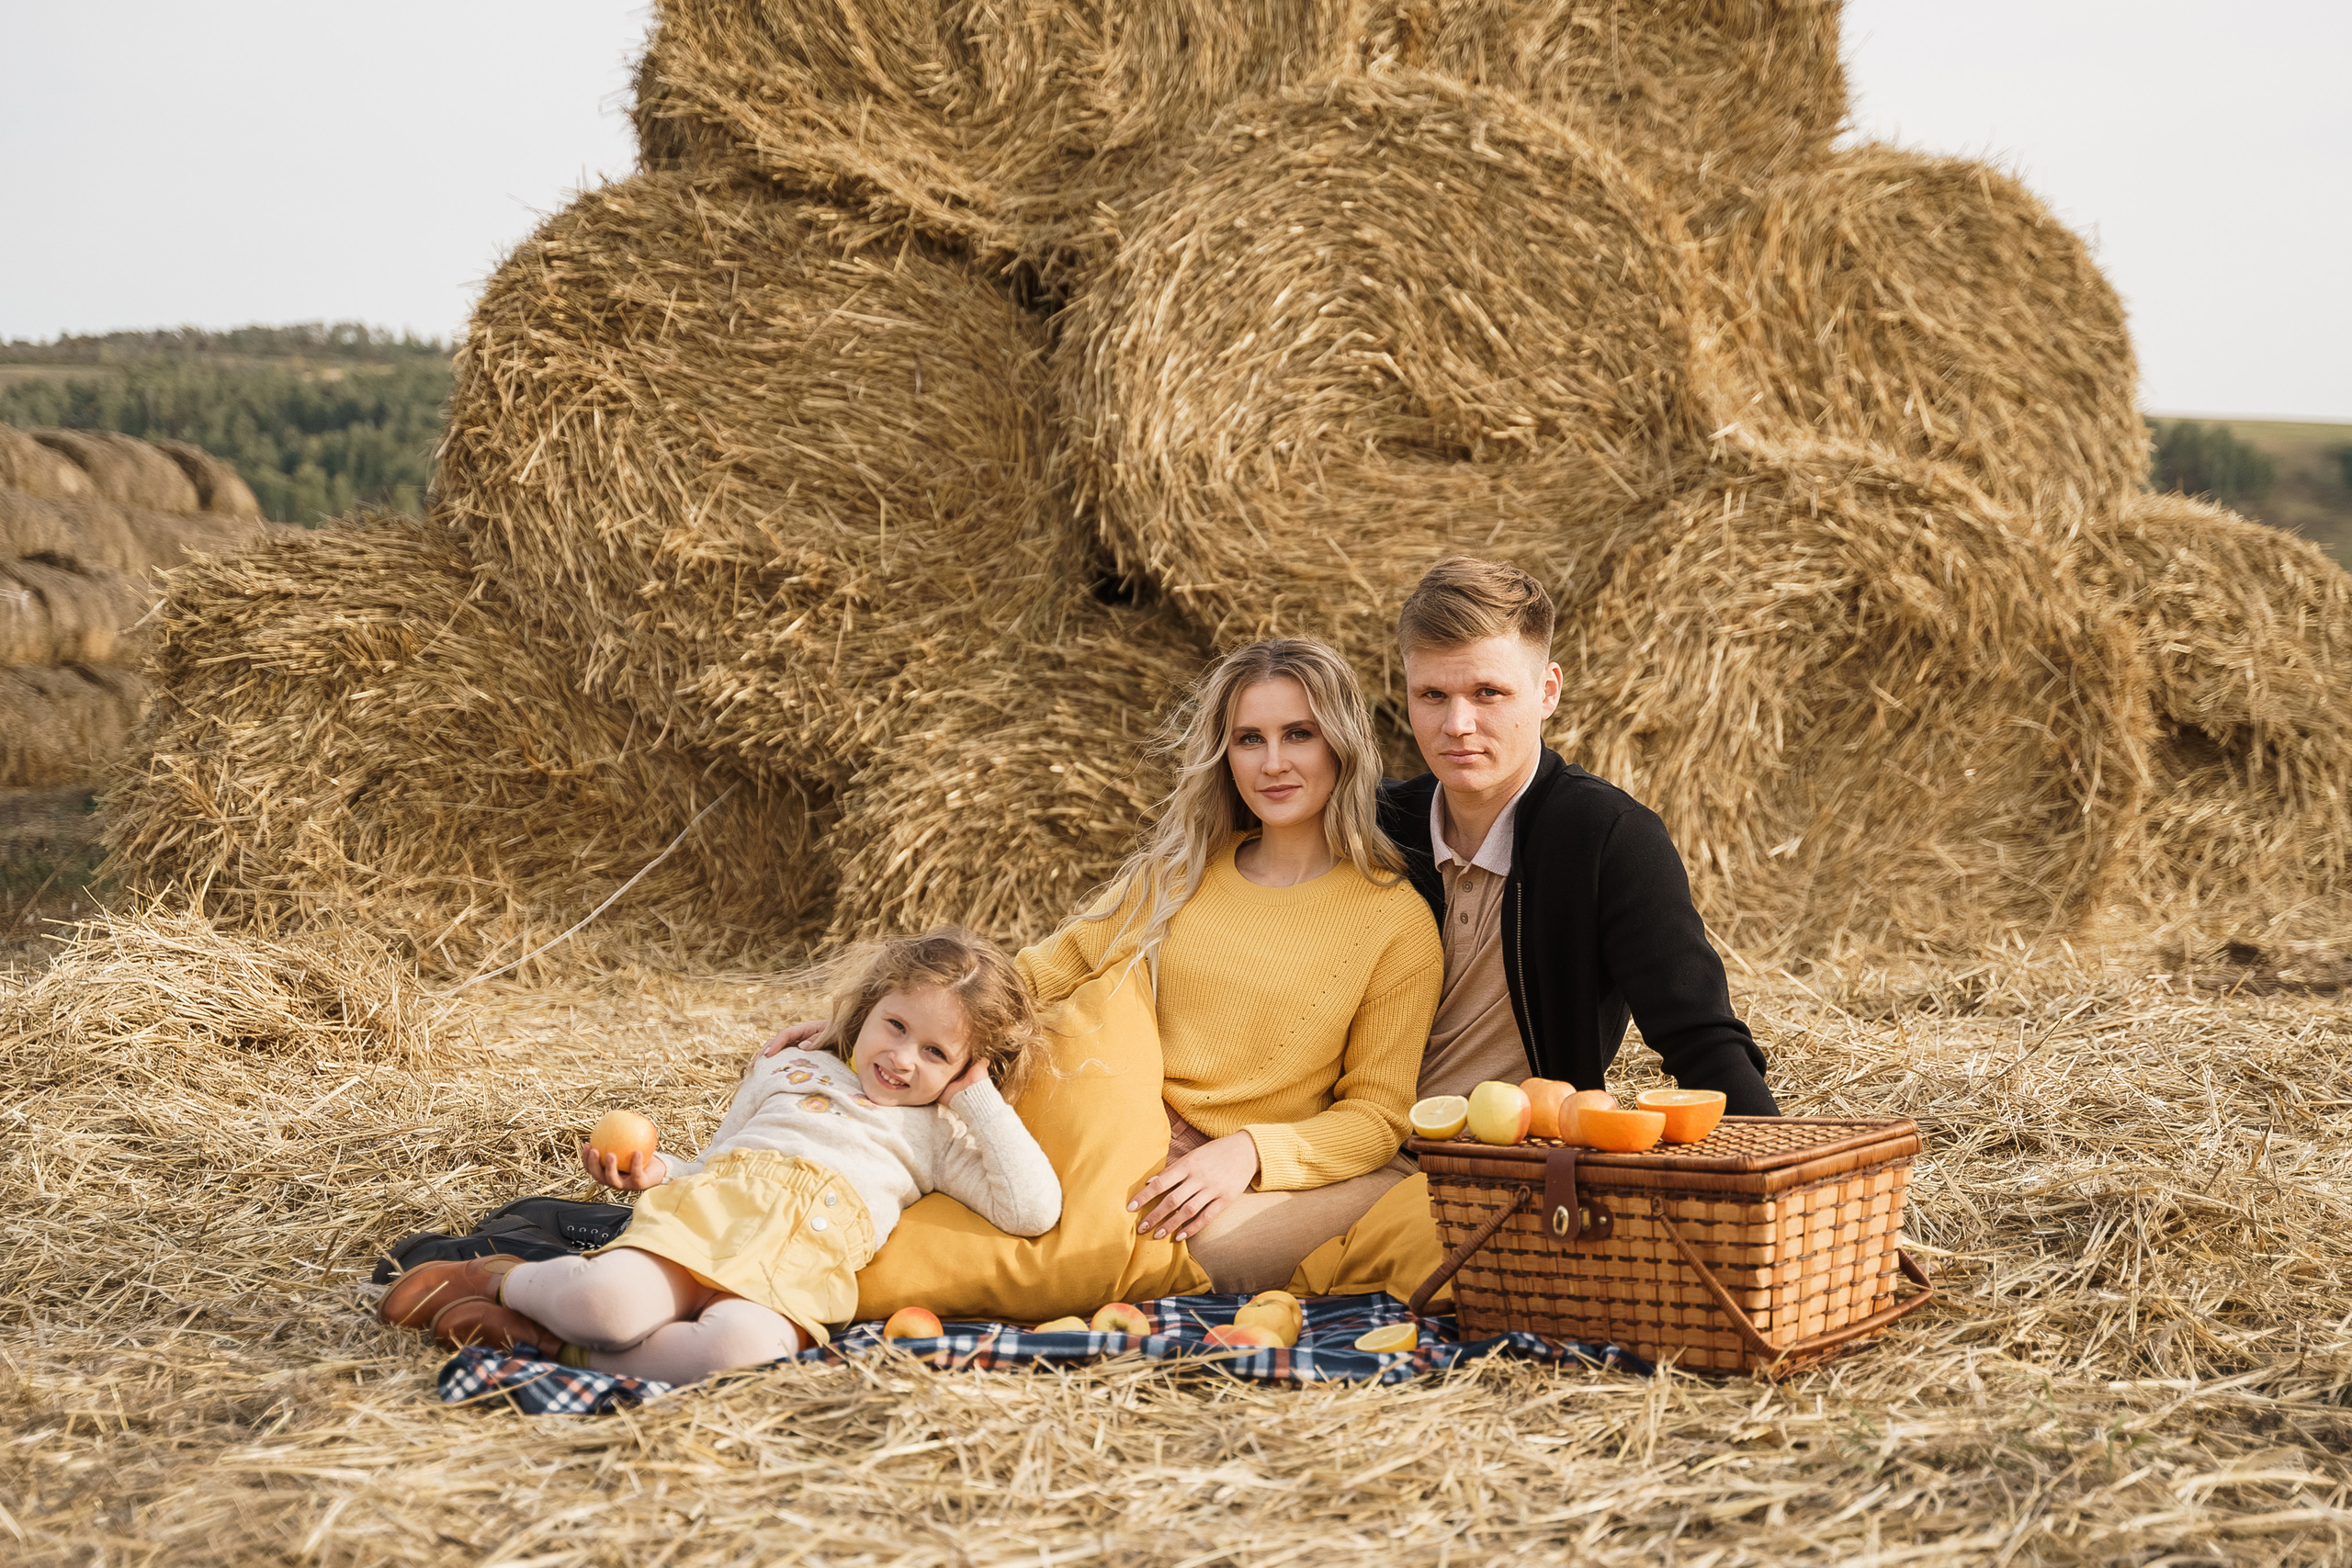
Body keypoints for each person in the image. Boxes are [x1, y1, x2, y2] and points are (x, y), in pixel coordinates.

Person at [763, 638, 1444, 1292]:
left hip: (1213, 1169)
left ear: (1342, 744)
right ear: (1224, 753)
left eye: (1299, 734)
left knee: (1084, 1260)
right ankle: (766, 1240)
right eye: (1249, 738)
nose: (1272, 762)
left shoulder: (1395, 923)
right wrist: (863, 1025)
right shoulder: (1177, 873)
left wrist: (1249, 1153)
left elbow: (1378, 1116)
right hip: (1098, 1117)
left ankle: (787, 1271)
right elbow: (1042, 974)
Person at [378, 929, 1059, 1382]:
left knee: (744, 1355)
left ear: (971, 1067)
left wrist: (977, 1099)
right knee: (610, 1302)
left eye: (937, 1052)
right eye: (896, 1025)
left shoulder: (941, 1135)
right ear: (869, 1006)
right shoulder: (794, 1067)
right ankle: (492, 1278)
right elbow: (717, 1161)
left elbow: (1031, 1209)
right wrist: (655, 1173)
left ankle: (545, 1343)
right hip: (702, 1226)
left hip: (789, 1277)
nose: (903, 1058)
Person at [1385, 557, 1777, 1111]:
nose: (1457, 725)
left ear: (1548, 692)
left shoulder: (1609, 840)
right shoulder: (1377, 826)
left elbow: (1698, 1037)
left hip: (1520, 1162)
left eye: (1488, 693)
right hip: (1344, 1142)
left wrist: (1776, 1171)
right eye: (1432, 695)